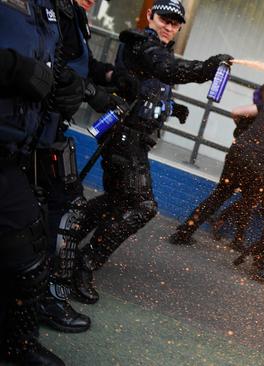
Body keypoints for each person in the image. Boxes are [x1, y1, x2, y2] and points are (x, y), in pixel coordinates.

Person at [68, 0, 234, 305]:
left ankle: (69, 235)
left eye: (175, 23)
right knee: (144, 206)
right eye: (164, 19)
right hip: (124, 138)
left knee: (118, 199)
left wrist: (171, 107)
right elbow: (166, 68)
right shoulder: (141, 43)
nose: (169, 26)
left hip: (134, 138)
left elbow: (149, 85)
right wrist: (207, 68)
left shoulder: (157, 49)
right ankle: (84, 263)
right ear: (150, 16)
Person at [36, 0, 137, 334]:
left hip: (50, 127)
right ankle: (47, 297)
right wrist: (93, 93)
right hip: (35, 125)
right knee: (64, 209)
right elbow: (49, 62)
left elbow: (83, 63)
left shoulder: (74, 14)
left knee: (55, 207)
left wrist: (110, 75)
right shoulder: (48, 8)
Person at [1, 0, 86, 363]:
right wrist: (15, 68)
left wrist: (66, 85)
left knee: (29, 253)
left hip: (10, 153)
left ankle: (16, 343)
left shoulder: (48, 7)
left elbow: (51, 60)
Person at [169, 105, 264, 284]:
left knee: (221, 194)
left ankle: (183, 232)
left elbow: (236, 112)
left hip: (236, 153)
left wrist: (246, 131)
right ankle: (261, 265)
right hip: (257, 162)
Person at [210, 81, 264, 248]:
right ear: (261, 94)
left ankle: (232, 232)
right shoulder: (256, 110)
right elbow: (235, 114)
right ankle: (216, 221)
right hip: (240, 160)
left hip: (254, 163)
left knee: (249, 199)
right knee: (227, 193)